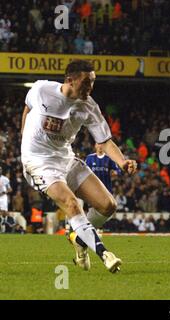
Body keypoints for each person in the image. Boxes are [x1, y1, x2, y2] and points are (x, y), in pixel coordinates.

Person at [20, 59, 137, 273]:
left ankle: (78, 237)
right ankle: (104, 253)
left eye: (92, 82)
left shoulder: (89, 106)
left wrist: (122, 161)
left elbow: (104, 141)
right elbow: (27, 107)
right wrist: (23, 141)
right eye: (86, 82)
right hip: (38, 162)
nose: (90, 87)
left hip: (65, 159)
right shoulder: (42, 89)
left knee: (108, 205)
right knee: (73, 204)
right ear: (70, 80)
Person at [85, 143, 120, 225]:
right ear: (95, 146)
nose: (100, 146)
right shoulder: (90, 158)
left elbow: (118, 170)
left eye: (101, 145)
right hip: (93, 190)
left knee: (106, 209)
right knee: (93, 209)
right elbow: (84, 169)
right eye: (98, 144)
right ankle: (92, 227)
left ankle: (98, 226)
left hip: (106, 189)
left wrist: (115, 172)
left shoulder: (109, 158)